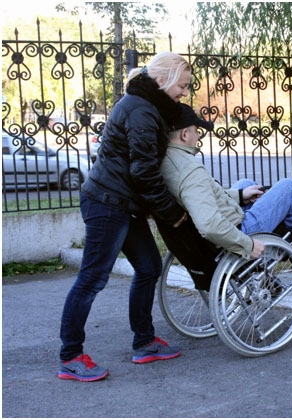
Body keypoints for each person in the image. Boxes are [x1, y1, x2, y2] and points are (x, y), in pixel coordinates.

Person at [58, 52, 193, 382]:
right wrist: (173, 214)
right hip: (107, 202)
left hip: (124, 203)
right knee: (92, 279)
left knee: (148, 267)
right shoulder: (141, 110)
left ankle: (144, 342)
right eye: (183, 86)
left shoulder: (147, 106)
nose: (184, 93)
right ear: (162, 80)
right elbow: (145, 172)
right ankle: (70, 356)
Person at [159, 103, 292, 269]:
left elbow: (203, 197)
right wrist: (247, 244)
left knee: (248, 184)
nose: (198, 137)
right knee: (289, 188)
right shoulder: (191, 170)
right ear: (185, 134)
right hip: (238, 232)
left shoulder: (168, 162)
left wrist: (240, 194)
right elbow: (209, 225)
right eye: (196, 131)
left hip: (212, 234)